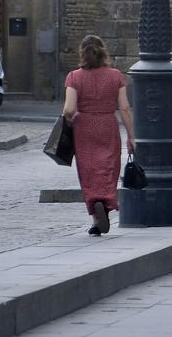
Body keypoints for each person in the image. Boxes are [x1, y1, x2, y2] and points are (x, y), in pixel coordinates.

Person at [63, 35, 135, 236]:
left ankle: (96, 214)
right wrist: (131, 136)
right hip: (107, 124)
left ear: (82, 53)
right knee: (107, 166)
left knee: (89, 169)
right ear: (103, 52)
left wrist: (69, 121)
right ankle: (105, 201)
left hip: (83, 127)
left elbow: (69, 109)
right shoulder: (115, 76)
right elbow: (125, 108)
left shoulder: (74, 77)